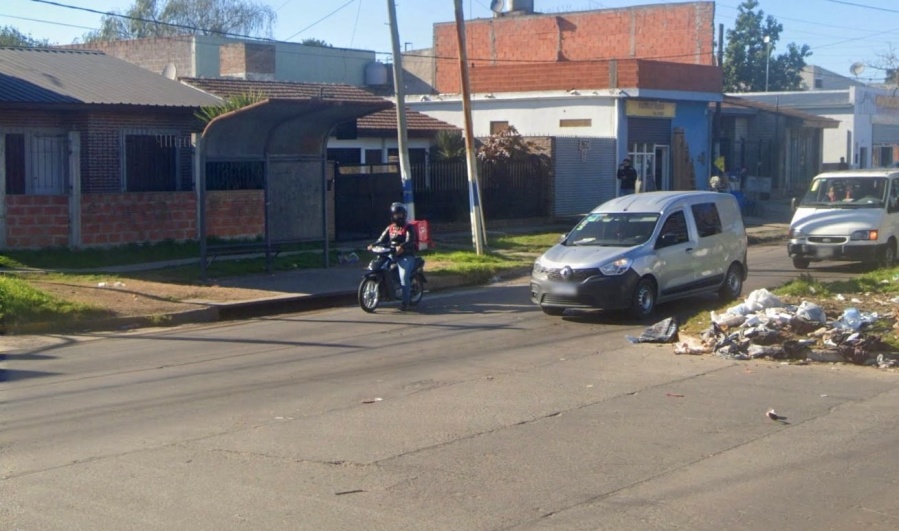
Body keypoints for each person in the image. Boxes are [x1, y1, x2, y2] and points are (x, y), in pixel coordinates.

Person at [370, 202, 417, 311]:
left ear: (404, 215)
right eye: (396, 215)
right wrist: (373, 245)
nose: (398, 217)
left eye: (400, 214)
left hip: (406, 256)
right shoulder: (390, 228)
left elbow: (410, 241)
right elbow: (381, 240)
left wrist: (402, 247)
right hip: (391, 254)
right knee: (382, 268)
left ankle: (406, 302)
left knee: (404, 276)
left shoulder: (408, 227)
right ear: (392, 215)